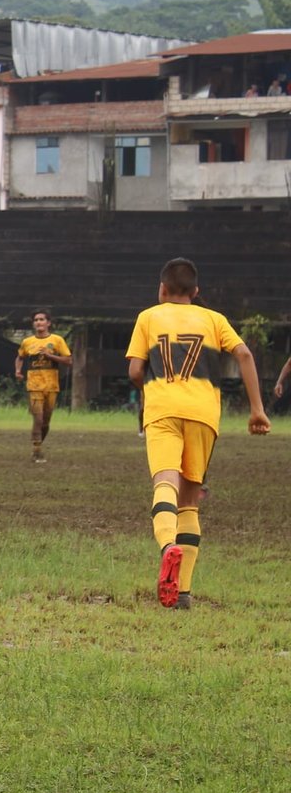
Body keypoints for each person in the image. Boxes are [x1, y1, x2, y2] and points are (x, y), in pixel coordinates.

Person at [127, 258, 270, 609]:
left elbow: (134, 370)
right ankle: (183, 594)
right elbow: (245, 354)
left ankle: (167, 547)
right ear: (196, 292)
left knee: (165, 483)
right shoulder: (214, 319)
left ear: (162, 290)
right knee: (189, 501)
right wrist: (257, 409)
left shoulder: (148, 316)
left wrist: (147, 386)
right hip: (204, 415)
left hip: (163, 411)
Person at [15, 310, 72, 462]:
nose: (38, 322)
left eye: (41, 319)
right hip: (34, 385)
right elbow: (20, 357)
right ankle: (37, 451)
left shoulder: (57, 340)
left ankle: (38, 444)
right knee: (38, 418)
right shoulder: (27, 342)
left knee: (46, 422)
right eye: (36, 320)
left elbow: (68, 360)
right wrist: (18, 371)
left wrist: (50, 356)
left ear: (48, 323)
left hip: (52, 386)